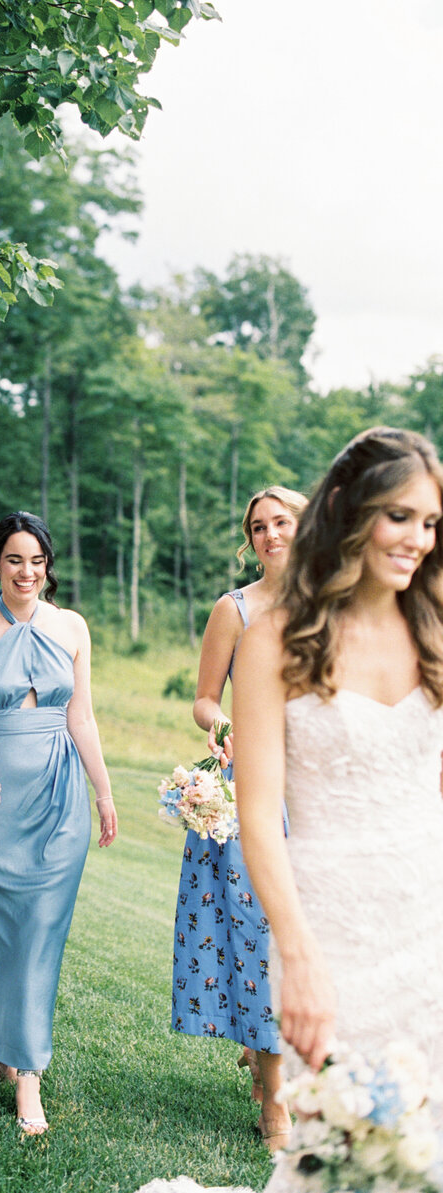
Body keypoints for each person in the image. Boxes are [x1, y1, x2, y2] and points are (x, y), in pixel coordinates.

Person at [137, 429, 443, 1193]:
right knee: (339, 1145)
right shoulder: (274, 636)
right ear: (346, 509)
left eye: (431, 522)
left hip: (427, 912)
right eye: (399, 516)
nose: (417, 538)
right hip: (328, 921)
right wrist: (298, 952)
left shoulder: (435, 629)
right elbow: (258, 807)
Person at [0, 511, 117, 1136]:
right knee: (3, 933)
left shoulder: (72, 627)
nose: (27, 571)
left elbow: (83, 716)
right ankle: (5, 1042)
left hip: (60, 793)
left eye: (38, 560)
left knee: (42, 932)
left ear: (49, 566)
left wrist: (102, 793)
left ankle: (29, 1076)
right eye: (15, 559)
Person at [172, 486, 307, 1152]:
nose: (271, 533)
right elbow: (203, 698)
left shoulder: (331, 604)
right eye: (259, 526)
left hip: (317, 787)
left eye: (282, 521)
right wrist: (223, 721)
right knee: (259, 933)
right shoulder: (237, 608)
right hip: (254, 784)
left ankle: (268, 1054)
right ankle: (276, 1095)